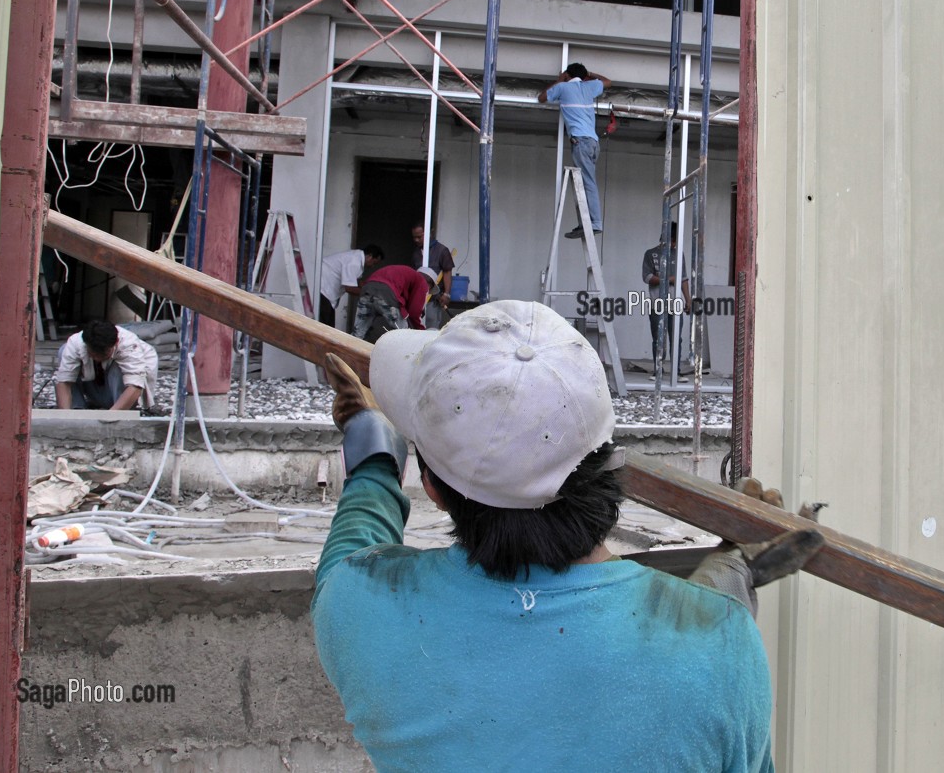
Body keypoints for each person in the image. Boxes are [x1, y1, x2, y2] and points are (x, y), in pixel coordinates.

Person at [313, 300, 821, 772]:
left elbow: (360, 526)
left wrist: (371, 434)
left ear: (433, 490)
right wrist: (727, 581)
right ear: (605, 460)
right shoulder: (724, 645)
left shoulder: (358, 606)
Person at [539, 63, 611, 239]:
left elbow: (541, 97)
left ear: (567, 75)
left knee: (587, 183)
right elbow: (608, 81)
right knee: (583, 183)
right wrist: (589, 74)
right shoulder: (590, 86)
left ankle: (594, 223)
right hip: (593, 143)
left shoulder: (563, 87)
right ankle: (585, 223)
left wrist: (558, 80)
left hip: (581, 142)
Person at [53, 319, 159, 411]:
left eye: (103, 354)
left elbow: (135, 386)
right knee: (64, 350)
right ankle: (77, 408)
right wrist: (65, 417)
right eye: (93, 354)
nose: (98, 358)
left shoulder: (130, 345)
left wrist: (110, 418)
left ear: (116, 342)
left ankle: (117, 409)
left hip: (123, 397)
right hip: (96, 390)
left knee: (119, 368)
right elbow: (64, 382)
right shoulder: (76, 342)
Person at [641, 222, 691, 369]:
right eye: (674, 241)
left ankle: (676, 370)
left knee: (676, 339)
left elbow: (683, 279)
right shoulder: (650, 254)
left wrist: (688, 300)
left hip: (675, 304)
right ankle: (658, 370)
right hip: (657, 303)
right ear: (667, 238)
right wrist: (670, 279)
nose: (675, 244)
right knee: (658, 339)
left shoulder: (679, 254)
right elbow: (647, 277)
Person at [350, 264, 436, 343]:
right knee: (403, 334)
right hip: (386, 293)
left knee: (358, 333)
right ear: (429, 283)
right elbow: (415, 312)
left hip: (367, 289)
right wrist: (421, 333)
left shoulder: (404, 273)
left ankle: (348, 354)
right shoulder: (422, 282)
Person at [318, 245, 384, 330]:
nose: (372, 266)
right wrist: (370, 294)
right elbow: (349, 288)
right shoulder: (354, 262)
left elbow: (357, 281)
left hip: (326, 291)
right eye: (374, 263)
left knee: (329, 327)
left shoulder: (356, 258)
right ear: (369, 256)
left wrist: (370, 288)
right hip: (323, 289)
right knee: (325, 327)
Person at [410, 221, 454, 328]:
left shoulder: (442, 250)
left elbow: (447, 272)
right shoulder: (416, 253)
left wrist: (446, 294)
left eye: (419, 237)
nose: (416, 240)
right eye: (414, 237)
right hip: (418, 298)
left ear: (430, 233)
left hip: (434, 298)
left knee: (431, 327)